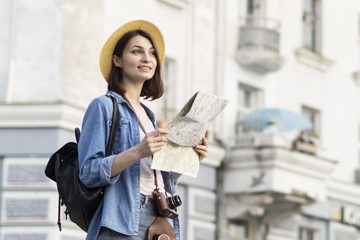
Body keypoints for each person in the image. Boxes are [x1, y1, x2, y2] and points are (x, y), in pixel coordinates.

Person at [78, 20, 209, 240]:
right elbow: (88, 173)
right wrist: (137, 152)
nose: (147, 58)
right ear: (117, 60)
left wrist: (191, 158)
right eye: (137, 52)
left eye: (151, 53)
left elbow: (156, 177)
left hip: (158, 215)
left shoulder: (149, 116)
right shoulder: (103, 106)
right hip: (122, 218)